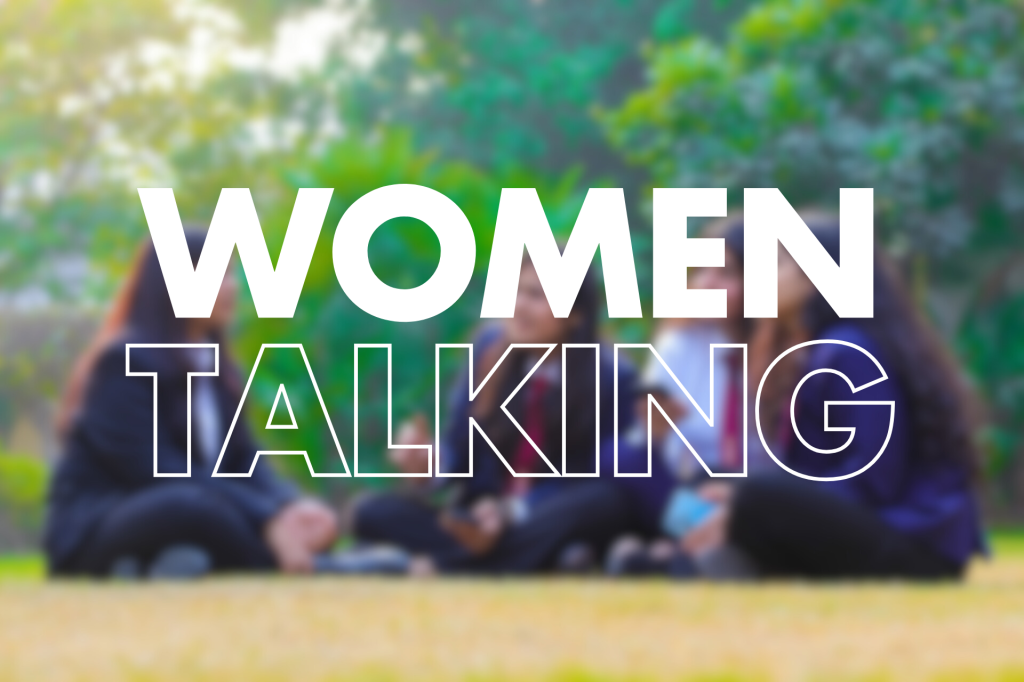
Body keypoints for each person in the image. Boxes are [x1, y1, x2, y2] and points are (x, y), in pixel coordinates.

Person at [679, 219, 985, 579]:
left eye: (777, 266)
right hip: (864, 526)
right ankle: (688, 557)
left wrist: (758, 499)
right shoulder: (820, 349)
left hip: (912, 546)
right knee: (710, 478)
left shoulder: (850, 352)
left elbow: (872, 481)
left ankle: (699, 563)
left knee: (756, 493)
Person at [45, 232, 338, 578]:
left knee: (230, 512)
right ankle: (310, 565)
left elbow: (243, 457)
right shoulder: (124, 362)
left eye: (231, 274)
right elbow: (157, 469)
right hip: (102, 527)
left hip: (198, 511)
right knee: (192, 506)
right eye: (218, 275)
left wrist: (287, 505)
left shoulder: (218, 368)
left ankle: (170, 564)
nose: (231, 288)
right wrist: (265, 519)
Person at [350, 257, 637, 574]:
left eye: (537, 296)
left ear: (575, 315)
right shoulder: (488, 351)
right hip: (477, 522)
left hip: (540, 516)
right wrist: (430, 466)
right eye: (516, 292)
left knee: (605, 501)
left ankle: (443, 567)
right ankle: (528, 563)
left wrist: (510, 512)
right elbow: (460, 455)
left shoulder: (610, 377)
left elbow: (590, 475)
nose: (520, 307)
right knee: (369, 511)